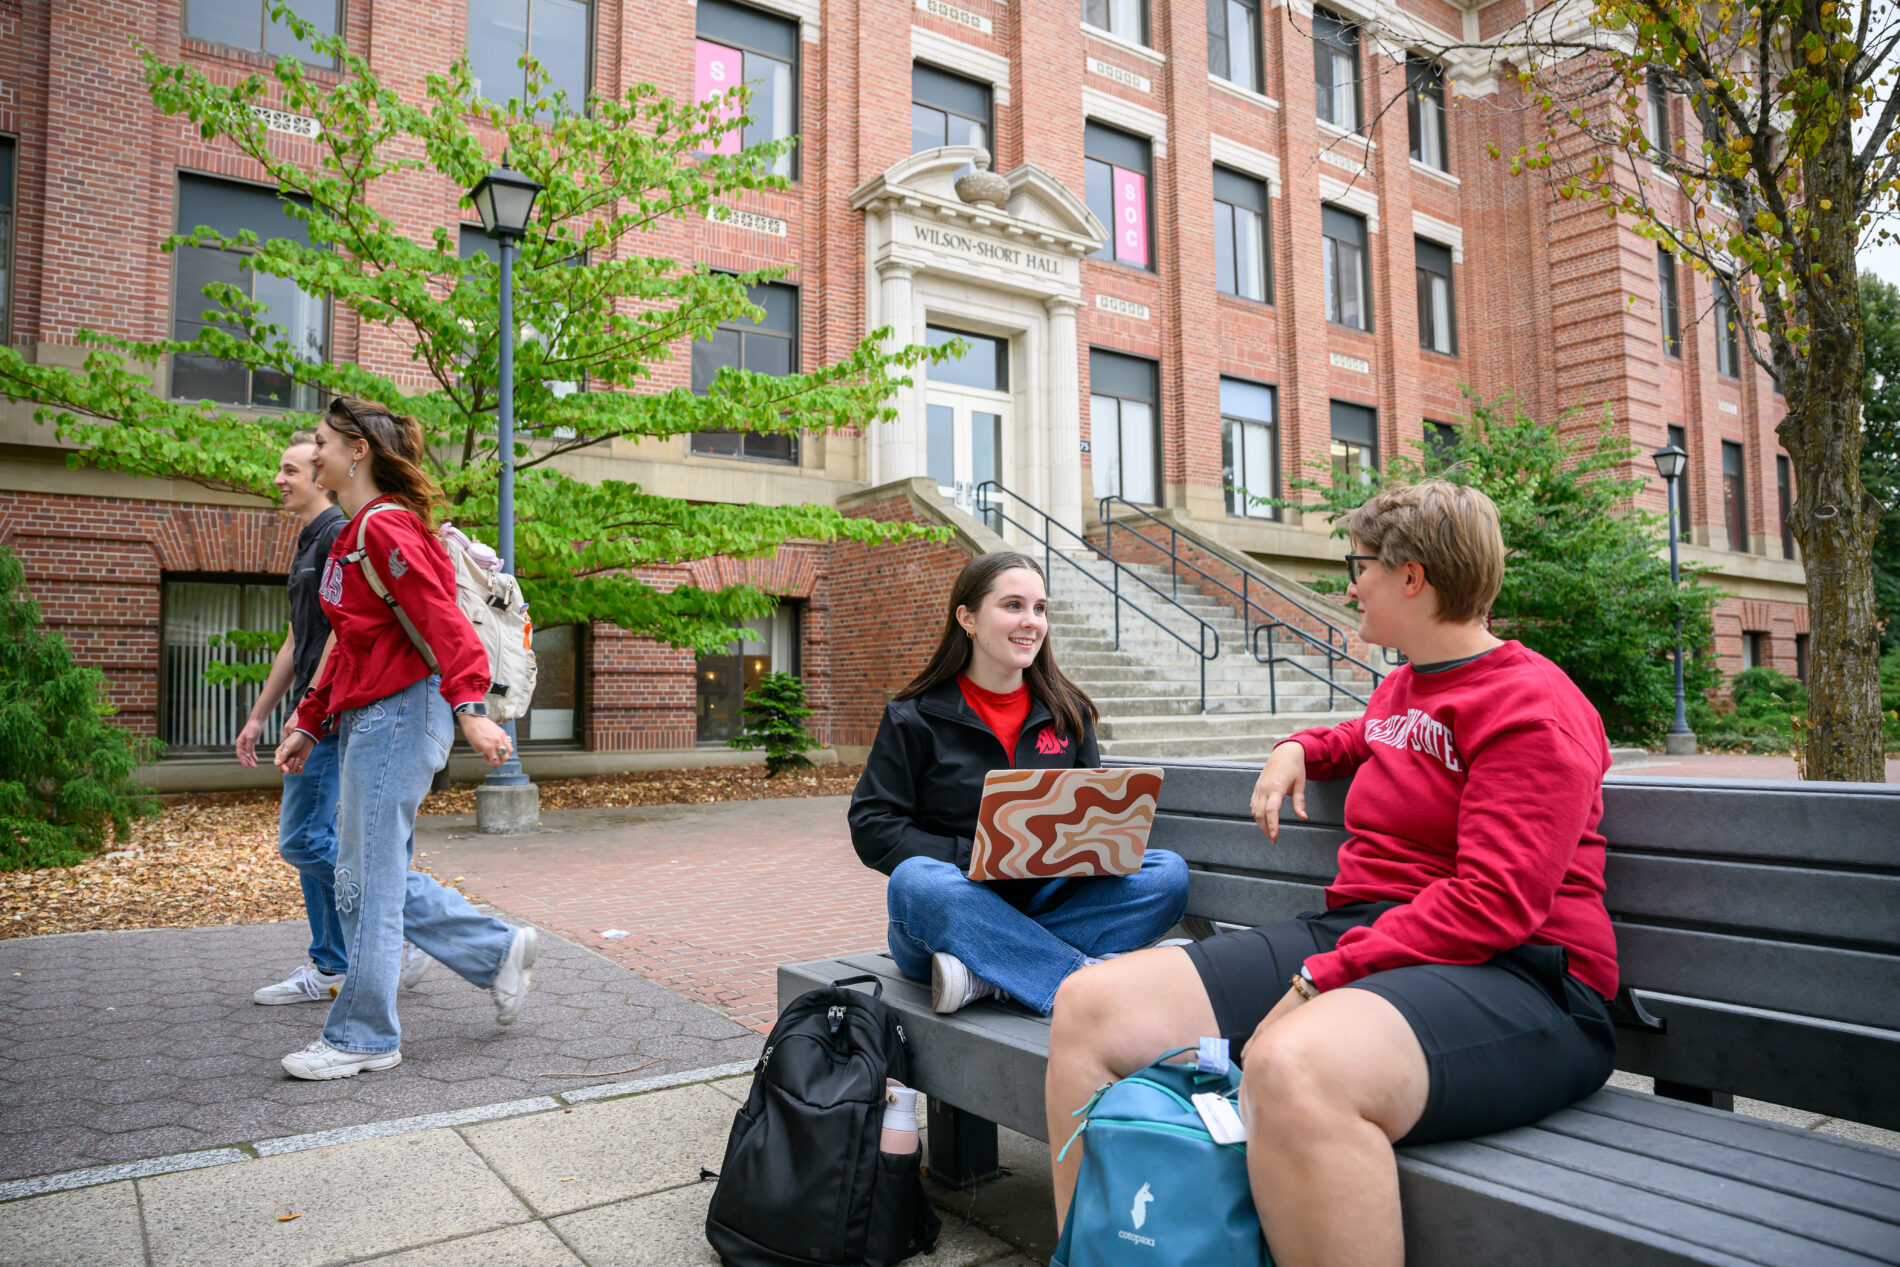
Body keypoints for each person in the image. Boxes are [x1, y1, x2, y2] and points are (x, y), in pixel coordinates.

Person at [1044, 482, 1618, 1267]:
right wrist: (1300, 748)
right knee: (1087, 1007)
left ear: (1411, 577)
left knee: (1292, 1066)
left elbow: (1495, 904)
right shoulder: (1406, 682)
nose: (1351, 584)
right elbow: (1364, 733)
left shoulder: (1532, 707)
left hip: (1521, 978)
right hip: (1375, 936)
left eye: (1360, 566)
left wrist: (1321, 977)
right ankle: (1091, 1255)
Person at [273, 396, 537, 1081]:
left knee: (366, 881)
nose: (316, 453)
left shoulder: (386, 529)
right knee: (366, 877)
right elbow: (349, 645)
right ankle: (494, 951)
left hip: (401, 714)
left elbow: (443, 621)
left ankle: (363, 1035)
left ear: (356, 451)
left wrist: (471, 707)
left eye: (325, 443)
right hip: (371, 715)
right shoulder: (355, 532)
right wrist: (310, 718)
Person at [849, 551, 1190, 1017]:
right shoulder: (914, 717)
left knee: (1166, 873)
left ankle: (986, 975)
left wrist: (1100, 846)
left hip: (1045, 898)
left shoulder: (1069, 713)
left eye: (1039, 608)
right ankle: (1080, 978)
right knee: (916, 883)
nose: (1031, 621)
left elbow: (1096, 816)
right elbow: (872, 824)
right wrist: (972, 857)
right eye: (1013, 605)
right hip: (954, 907)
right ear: (967, 618)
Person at [238, 434, 432, 1006]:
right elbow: (299, 638)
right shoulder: (313, 539)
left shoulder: (343, 535)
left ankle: (409, 923)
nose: (281, 477)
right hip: (314, 711)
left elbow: (347, 634)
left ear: (324, 472)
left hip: (334, 715)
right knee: (313, 842)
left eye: (292, 467)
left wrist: (310, 713)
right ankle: (332, 962)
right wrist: (261, 715)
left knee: (306, 840)